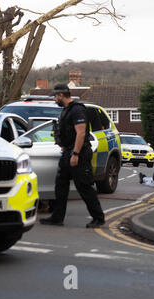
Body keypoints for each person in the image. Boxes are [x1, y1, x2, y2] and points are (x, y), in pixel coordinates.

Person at [40, 84, 105, 228]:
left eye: (55, 97)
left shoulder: (77, 110)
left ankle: (98, 218)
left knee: (84, 186)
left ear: (61, 95)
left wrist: (75, 154)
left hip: (79, 153)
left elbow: (81, 133)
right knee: (60, 185)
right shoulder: (66, 110)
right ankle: (57, 217)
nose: (54, 99)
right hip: (68, 152)